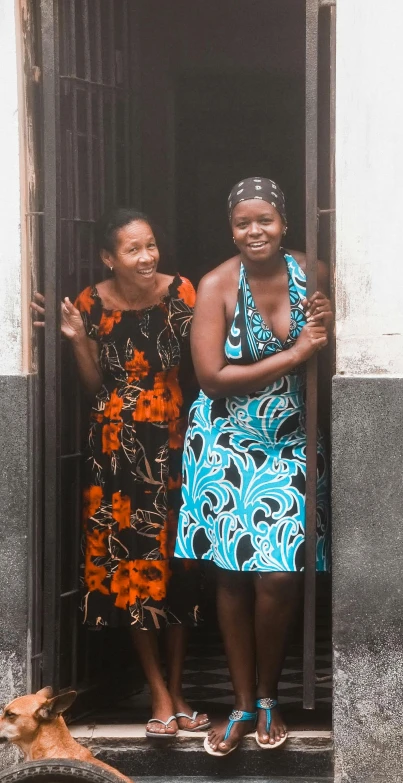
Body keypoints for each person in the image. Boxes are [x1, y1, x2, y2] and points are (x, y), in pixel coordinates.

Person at [31, 208, 209, 739]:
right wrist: (76, 339)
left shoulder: (182, 293)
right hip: (115, 453)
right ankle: (156, 690)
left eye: (150, 245)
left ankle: (178, 690)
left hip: (174, 444)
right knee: (134, 569)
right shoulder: (91, 303)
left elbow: (199, 364)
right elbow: (93, 387)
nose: (147, 257)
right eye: (133, 249)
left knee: (177, 565)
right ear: (110, 257)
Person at [174, 178, 332, 756]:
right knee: (234, 575)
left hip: (288, 443)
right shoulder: (217, 285)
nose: (254, 231)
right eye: (243, 223)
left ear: (283, 222)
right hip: (225, 447)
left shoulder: (311, 274)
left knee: (280, 575)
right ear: (231, 228)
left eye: (264, 220)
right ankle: (242, 703)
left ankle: (269, 695)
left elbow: (331, 345)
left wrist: (326, 327)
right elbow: (211, 377)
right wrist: (295, 353)